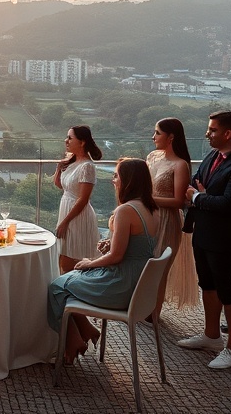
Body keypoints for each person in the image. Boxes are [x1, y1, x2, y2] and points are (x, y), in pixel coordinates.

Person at [47, 158, 158, 365]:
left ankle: (74, 341)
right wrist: (112, 243)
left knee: (56, 287)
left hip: (121, 286)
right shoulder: (151, 209)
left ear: (129, 180)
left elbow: (116, 257)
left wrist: (89, 262)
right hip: (139, 286)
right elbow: (136, 247)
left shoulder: (125, 211)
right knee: (67, 282)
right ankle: (86, 330)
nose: (113, 180)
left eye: (117, 175)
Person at [178, 111, 231, 369]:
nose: (207, 134)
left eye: (212, 130)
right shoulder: (213, 155)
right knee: (208, 286)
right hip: (203, 232)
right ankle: (211, 335)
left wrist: (201, 198)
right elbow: (194, 184)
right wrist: (202, 195)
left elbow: (229, 203)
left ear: (228, 133)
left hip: (224, 239)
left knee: (227, 291)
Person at [147, 118, 197, 314]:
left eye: (158, 133)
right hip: (148, 217)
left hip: (168, 220)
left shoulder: (180, 165)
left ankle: (154, 313)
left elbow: (178, 201)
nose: (153, 136)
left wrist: (148, 199)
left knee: (159, 270)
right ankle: (140, 306)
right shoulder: (152, 157)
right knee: (144, 262)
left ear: (171, 137)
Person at [53, 125, 103, 274]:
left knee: (70, 259)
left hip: (77, 216)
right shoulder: (73, 162)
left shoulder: (87, 166)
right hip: (67, 209)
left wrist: (65, 222)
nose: (66, 141)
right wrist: (58, 168)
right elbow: (62, 186)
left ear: (82, 142)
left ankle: (72, 291)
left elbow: (83, 199)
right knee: (62, 256)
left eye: (70, 138)